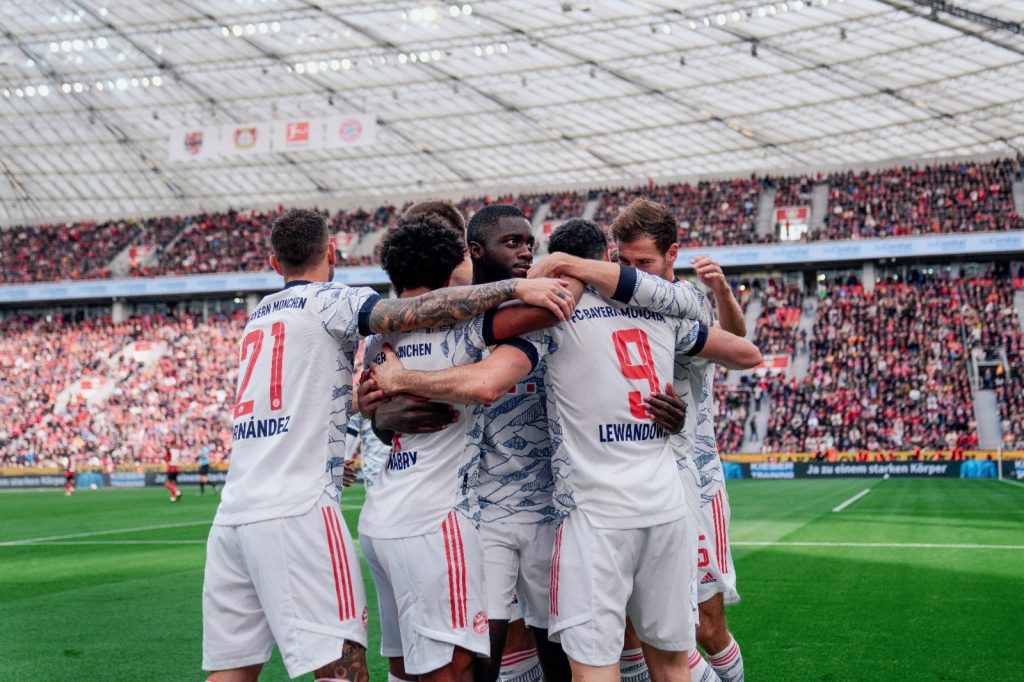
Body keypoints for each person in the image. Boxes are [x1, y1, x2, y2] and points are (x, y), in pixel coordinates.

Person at [375, 219, 760, 682]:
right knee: (653, 653)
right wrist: (379, 412)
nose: (524, 252)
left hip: (576, 515)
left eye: (529, 245)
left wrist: (397, 381)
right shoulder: (660, 302)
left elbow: (484, 382)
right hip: (623, 505)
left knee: (586, 655)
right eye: (513, 243)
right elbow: (746, 352)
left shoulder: (549, 316)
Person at [201, 208, 574, 682]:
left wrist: (369, 409)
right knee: (425, 668)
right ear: (332, 252)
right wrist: (526, 285)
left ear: (275, 263)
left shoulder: (331, 333)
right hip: (405, 517)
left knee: (242, 670)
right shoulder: (352, 305)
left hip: (268, 512)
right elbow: (480, 358)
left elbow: (331, 390)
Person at [359, 216, 556, 681]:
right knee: (454, 665)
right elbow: (547, 312)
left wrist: (378, 410)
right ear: (454, 268)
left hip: (379, 514)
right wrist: (520, 286)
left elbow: (376, 407)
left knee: (404, 663)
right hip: (433, 518)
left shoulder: (378, 342)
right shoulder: (464, 327)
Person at [611, 198, 748, 682]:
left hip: (697, 482)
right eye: (623, 261)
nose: (633, 274)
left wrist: (722, 291)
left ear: (672, 253)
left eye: (644, 262)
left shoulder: (683, 302)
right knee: (631, 625)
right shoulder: (612, 302)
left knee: (706, 626)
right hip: (634, 480)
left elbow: (738, 345)